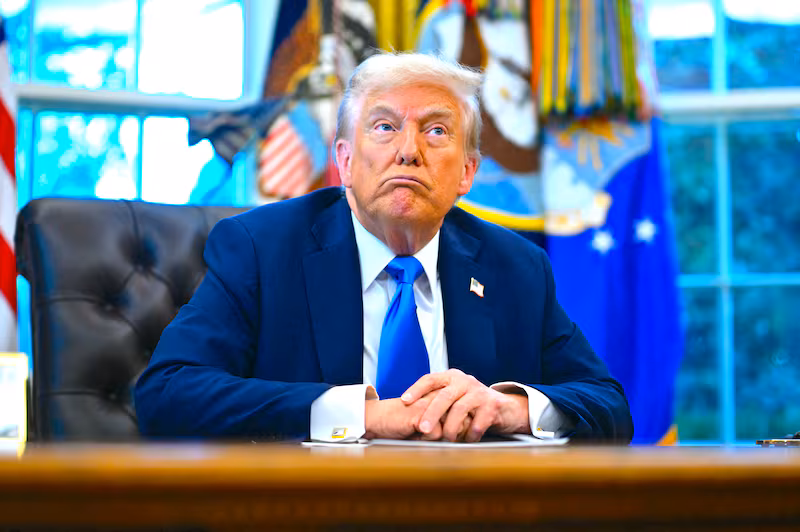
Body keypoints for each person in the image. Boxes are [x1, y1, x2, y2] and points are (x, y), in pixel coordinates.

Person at [134, 52, 633, 443]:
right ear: (346, 162)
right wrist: (363, 416)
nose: (408, 151)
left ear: (467, 172)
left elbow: (608, 405)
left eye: (436, 130)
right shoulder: (261, 249)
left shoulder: (515, 267)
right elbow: (168, 392)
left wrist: (510, 408)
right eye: (385, 127)